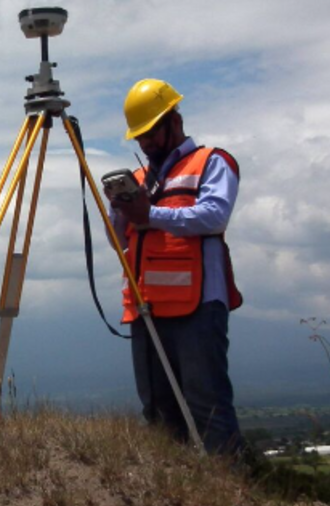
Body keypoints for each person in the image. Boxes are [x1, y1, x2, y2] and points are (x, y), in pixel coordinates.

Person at [105, 79, 244, 455]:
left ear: (173, 121)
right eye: (139, 137)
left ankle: (229, 487)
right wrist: (119, 211)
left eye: (150, 133)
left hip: (197, 304)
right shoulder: (138, 179)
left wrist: (150, 213)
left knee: (208, 406)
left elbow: (214, 216)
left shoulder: (212, 161)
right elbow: (119, 242)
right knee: (159, 411)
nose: (145, 143)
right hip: (146, 307)